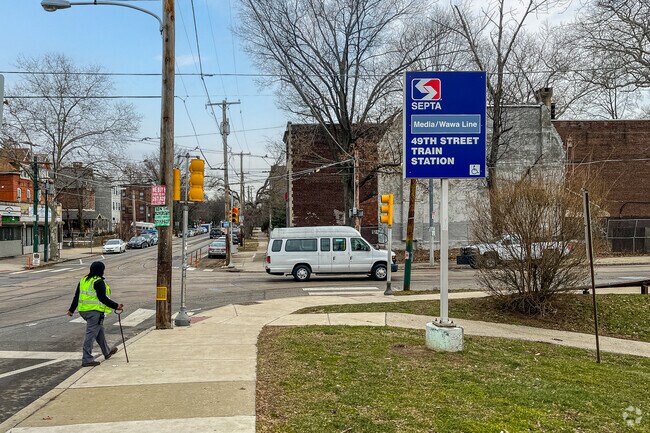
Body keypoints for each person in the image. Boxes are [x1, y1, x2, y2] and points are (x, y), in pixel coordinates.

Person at [67, 261, 123, 367]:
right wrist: (116, 306)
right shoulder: (98, 282)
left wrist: (71, 310)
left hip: (83, 311)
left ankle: (107, 352)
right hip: (94, 312)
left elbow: (76, 296)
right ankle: (87, 359)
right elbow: (103, 298)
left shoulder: (84, 280)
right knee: (91, 335)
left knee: (99, 331)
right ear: (101, 270)